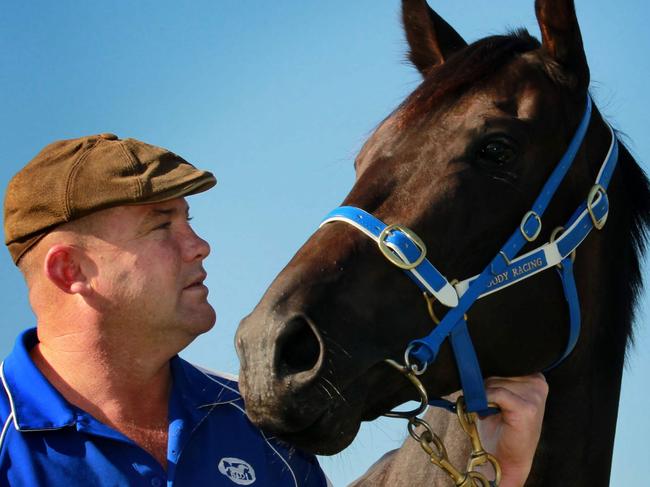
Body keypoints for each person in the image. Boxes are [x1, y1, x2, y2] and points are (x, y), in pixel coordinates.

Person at [0, 133, 546, 487]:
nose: (199, 245)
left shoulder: (259, 426)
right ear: (70, 272)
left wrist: (497, 473)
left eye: (189, 220)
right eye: (161, 225)